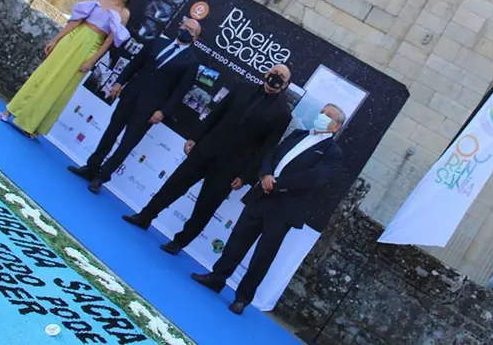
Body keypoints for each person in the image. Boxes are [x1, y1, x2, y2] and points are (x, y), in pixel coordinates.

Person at [122, 64, 294, 255]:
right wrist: (195, 137)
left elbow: (266, 148)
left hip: (231, 167)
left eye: (281, 77)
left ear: (285, 85)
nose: (276, 77)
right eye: (274, 72)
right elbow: (216, 114)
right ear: (266, 72)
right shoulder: (242, 88)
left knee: (205, 206)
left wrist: (246, 176)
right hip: (206, 148)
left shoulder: (283, 114)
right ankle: (145, 216)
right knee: (174, 184)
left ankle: (180, 242)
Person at [191, 104, 345, 315]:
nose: (322, 116)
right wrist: (265, 175)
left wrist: (278, 183)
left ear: (336, 127)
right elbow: (273, 153)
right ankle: (217, 278)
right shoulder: (299, 134)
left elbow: (315, 178)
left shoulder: (332, 152)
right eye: (322, 112)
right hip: (262, 195)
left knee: (263, 256)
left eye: (328, 116)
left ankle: (242, 298)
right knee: (237, 240)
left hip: (285, 207)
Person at [68, 19, 202, 194]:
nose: (186, 30)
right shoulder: (158, 42)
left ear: (195, 38)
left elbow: (179, 92)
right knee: (110, 132)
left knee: (127, 144)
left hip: (150, 109)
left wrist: (163, 112)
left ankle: (101, 177)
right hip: (130, 96)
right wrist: (119, 82)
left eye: (191, 30)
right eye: (185, 26)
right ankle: (91, 167)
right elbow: (135, 63)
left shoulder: (191, 62)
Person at [0, 0, 134, 138]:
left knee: (61, 86)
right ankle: (8, 111)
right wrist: (55, 40)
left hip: (91, 46)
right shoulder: (97, 0)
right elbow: (75, 21)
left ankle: (32, 125)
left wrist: (92, 60)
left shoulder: (124, 14)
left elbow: (109, 41)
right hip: (72, 38)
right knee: (43, 75)